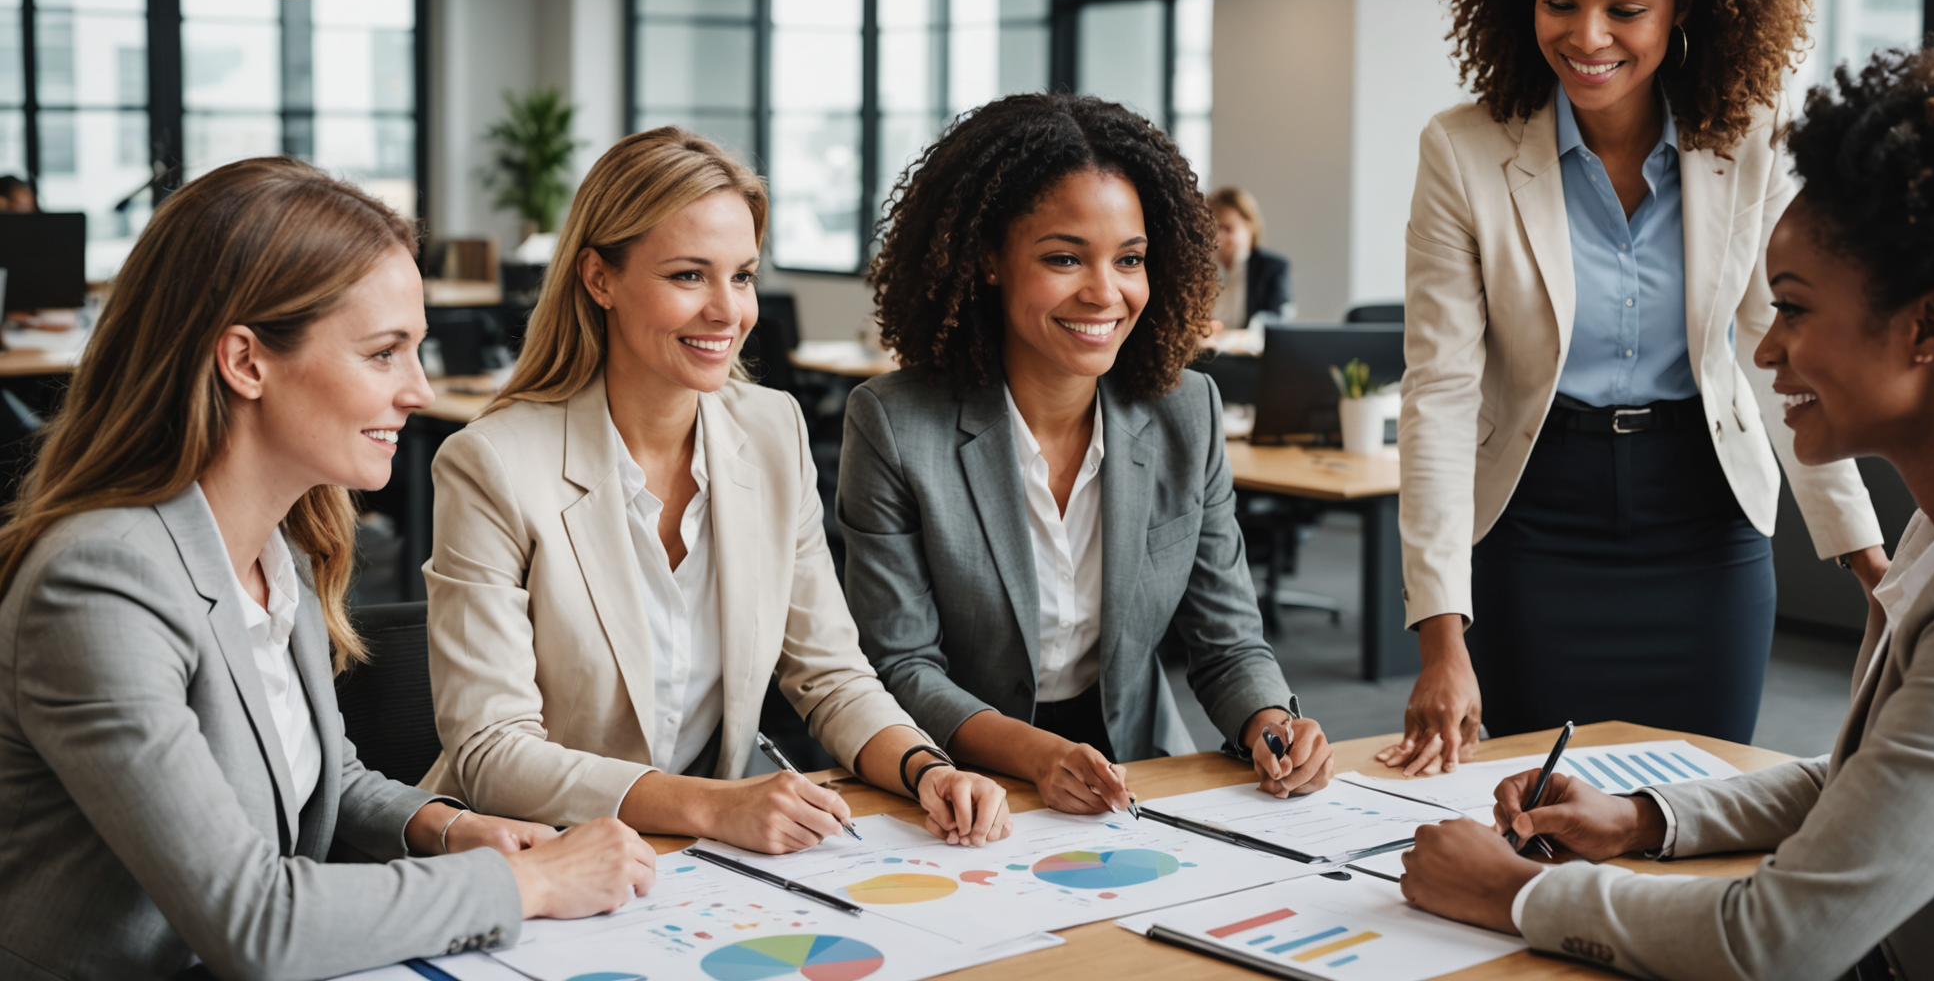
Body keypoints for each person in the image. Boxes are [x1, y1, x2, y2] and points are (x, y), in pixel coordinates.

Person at [1400, 44, 1934, 981]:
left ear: (1928, 328)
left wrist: (1512, 892)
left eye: (1795, 311)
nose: (1764, 354)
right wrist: (1646, 815)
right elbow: (1870, 779)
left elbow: (1780, 942)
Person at [0, 159, 654, 980]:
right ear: (245, 362)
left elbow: (318, 775)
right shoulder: (101, 584)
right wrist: (523, 882)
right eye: (383, 354)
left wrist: (449, 827)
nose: (418, 390)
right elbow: (253, 920)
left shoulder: (284, 544)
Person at [1384, 0, 1888, 773]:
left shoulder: (1749, 138)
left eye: (1626, 8)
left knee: (1698, 801)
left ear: (1682, 5)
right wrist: (1439, 637)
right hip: (1536, 519)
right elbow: (1441, 391)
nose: (1587, 37)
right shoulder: (1462, 150)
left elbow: (1784, 347)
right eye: (1559, 3)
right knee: (1531, 808)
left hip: (1705, 519)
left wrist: (1872, 564)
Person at [421, 128, 1012, 854]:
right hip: (538, 857)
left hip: (698, 866)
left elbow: (828, 673)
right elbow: (491, 753)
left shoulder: (772, 432)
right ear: (599, 278)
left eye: (742, 276)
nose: (728, 312)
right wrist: (715, 806)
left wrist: (925, 767)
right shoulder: (491, 464)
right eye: (688, 276)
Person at [837, 93, 1336, 816]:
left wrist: (1272, 723)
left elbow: (1227, 643)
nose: (1106, 293)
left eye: (1129, 259)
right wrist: (1038, 756)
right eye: (1065, 258)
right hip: (954, 781)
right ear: (987, 260)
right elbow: (903, 665)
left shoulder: (1184, 414)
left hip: (1129, 773)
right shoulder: (894, 424)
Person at [1206, 186, 1291, 328]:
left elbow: (1277, 316)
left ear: (1249, 227)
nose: (1218, 237)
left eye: (1228, 228)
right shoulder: (1202, 271)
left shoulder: (1271, 267)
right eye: (1213, 229)